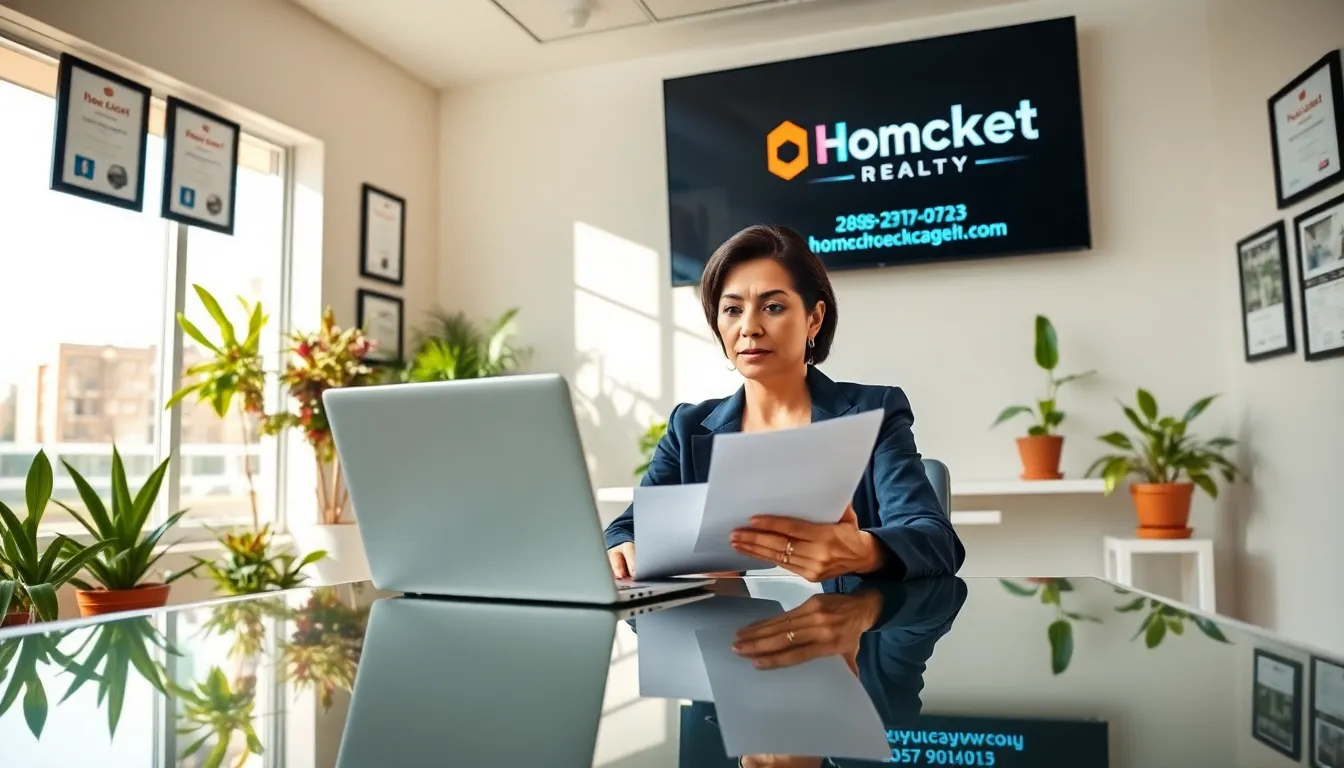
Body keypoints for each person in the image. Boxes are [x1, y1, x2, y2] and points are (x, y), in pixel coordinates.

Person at [604, 224, 964, 582]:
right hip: (723, 632)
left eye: (773, 307)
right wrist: (621, 547)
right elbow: (626, 530)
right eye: (732, 310)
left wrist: (862, 550)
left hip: (851, 631)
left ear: (814, 319)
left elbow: (936, 541)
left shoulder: (874, 411)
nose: (749, 328)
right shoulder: (688, 427)